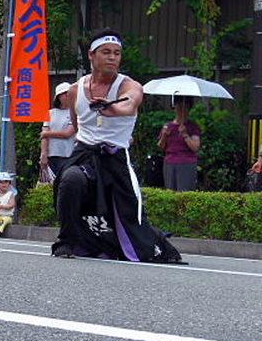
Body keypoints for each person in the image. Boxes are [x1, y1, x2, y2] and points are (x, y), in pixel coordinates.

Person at [51, 29, 183, 263]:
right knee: (69, 180)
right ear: (91, 55)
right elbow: (76, 124)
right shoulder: (75, 90)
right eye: (106, 52)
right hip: (85, 155)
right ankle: (67, 240)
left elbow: (129, 106)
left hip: (115, 158)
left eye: (117, 53)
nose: (112, 57)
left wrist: (111, 109)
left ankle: (150, 242)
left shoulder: (129, 86)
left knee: (130, 220)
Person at [157, 95, 201, 192]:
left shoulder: (193, 126)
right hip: (169, 163)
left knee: (184, 194)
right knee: (169, 193)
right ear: (174, 108)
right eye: (179, 106)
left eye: (185, 107)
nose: (182, 110)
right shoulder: (168, 126)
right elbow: (160, 146)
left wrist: (185, 135)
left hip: (187, 163)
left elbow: (195, 147)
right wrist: (164, 136)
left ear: (189, 109)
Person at [40, 82, 76, 180]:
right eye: (65, 94)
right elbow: (44, 137)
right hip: (52, 155)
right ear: (58, 97)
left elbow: (68, 133)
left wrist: (47, 133)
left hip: (69, 154)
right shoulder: (50, 113)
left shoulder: (75, 112)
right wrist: (43, 154)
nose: (67, 96)